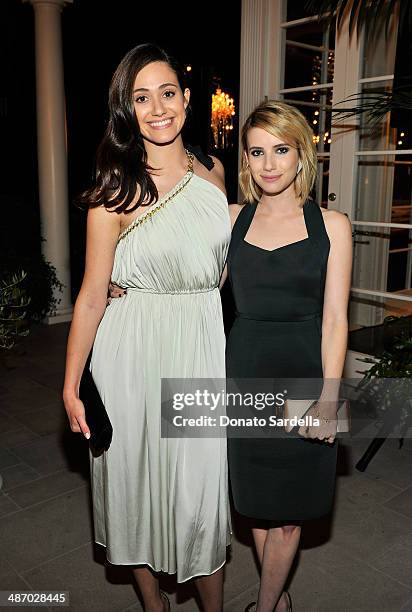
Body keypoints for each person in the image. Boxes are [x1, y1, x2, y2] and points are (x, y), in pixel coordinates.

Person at [63, 43, 231, 612]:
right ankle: (153, 606)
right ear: (126, 111)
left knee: (201, 495)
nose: (157, 108)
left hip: (201, 343)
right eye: (140, 98)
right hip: (131, 352)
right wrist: (70, 384)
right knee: (132, 483)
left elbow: (221, 266)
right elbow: (89, 295)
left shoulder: (214, 173)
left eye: (167, 92)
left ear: (187, 99)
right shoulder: (113, 191)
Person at [222, 100, 352, 612]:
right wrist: (121, 284)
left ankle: (266, 603)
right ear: (246, 160)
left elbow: (337, 319)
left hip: (305, 375)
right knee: (255, 506)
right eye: (257, 152)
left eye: (281, 149)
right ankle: (276, 599)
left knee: (293, 512)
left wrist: (328, 398)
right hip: (245, 374)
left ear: (302, 154)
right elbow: (191, 284)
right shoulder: (232, 220)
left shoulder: (331, 226)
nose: (269, 163)